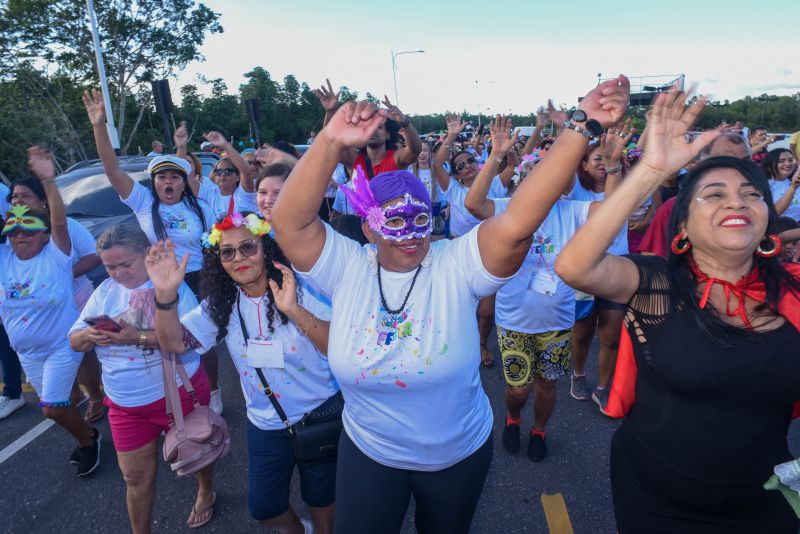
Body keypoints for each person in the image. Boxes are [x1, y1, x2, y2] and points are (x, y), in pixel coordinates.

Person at [270, 77, 630, 533]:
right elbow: (290, 223)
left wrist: (581, 126)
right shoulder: (346, 267)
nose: (412, 231)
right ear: (369, 228)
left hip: (455, 454)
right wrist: (330, 140)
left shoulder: (454, 263)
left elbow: (518, 223)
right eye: (395, 219)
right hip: (370, 451)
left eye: (420, 217)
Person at [556, 87, 800, 533]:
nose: (736, 201)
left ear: (766, 214)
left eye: (751, 193)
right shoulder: (656, 282)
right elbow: (574, 265)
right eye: (714, 194)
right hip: (655, 499)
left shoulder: (796, 290)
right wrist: (649, 170)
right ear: (681, 224)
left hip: (764, 501)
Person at [146, 212, 338, 534]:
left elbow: (336, 346)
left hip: (320, 414)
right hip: (265, 423)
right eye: (228, 252)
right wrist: (165, 296)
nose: (239, 258)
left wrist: (293, 309)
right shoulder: (221, 305)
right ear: (219, 260)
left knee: (322, 501)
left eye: (248, 247)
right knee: (264, 509)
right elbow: (173, 342)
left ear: (265, 248)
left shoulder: (302, 288)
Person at [463, 116, 623, 461]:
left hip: (557, 322)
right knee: (517, 389)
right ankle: (513, 418)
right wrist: (495, 156)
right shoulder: (507, 210)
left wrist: (612, 166)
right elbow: (474, 205)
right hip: (513, 322)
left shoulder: (574, 211)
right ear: (526, 180)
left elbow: (612, 211)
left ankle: (539, 430)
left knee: (548, 385)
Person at [83, 89, 224, 414]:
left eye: (174, 176)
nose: (168, 182)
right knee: (158, 340)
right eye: (162, 177)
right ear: (154, 183)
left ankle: (211, 390)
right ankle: (166, 399)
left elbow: (216, 242)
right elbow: (113, 172)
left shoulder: (200, 207)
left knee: (201, 344)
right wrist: (99, 126)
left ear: (183, 182)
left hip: (199, 280)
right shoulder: (144, 205)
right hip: (158, 285)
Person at [68, 224, 216, 531]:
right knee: (134, 477)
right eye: (109, 267)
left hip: (178, 392)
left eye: (126, 265)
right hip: (125, 404)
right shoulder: (105, 291)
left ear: (146, 256)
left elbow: (188, 340)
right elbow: (74, 340)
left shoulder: (168, 286)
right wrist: (89, 335)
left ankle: (206, 489)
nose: (118, 274)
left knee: (198, 451)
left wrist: (136, 338)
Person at [0, 147, 101, 476]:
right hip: (27, 352)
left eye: (28, 229)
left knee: (52, 409)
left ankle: (88, 441)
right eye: (13, 231)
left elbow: (58, 221)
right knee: (62, 405)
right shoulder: (4, 260)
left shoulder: (56, 257)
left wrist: (47, 179)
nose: (20, 236)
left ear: (45, 235)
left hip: (62, 343)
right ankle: (86, 435)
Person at [7, 176, 106, 421]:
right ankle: (70, 394)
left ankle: (95, 396)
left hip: (76, 296)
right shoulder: (11, 233)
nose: (18, 200)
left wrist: (59, 276)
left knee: (82, 354)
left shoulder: (65, 226)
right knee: (56, 376)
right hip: (33, 305)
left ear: (42, 200)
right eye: (14, 197)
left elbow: (94, 256)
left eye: (25, 196)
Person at [432, 114, 513, 367]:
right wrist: (453, 134)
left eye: (470, 161)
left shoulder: (494, 185)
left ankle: (480, 344)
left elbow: (511, 167)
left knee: (487, 310)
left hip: (489, 253)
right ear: (455, 175)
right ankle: (454, 346)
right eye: (460, 166)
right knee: (459, 306)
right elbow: (436, 165)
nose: (466, 166)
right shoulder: (454, 189)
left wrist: (503, 149)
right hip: (458, 254)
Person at [564, 139, 628, 411]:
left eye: (608, 159)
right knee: (582, 333)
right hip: (585, 270)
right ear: (583, 164)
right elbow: (562, 171)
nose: (603, 164)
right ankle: (578, 374)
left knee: (611, 336)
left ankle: (604, 386)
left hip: (617, 267)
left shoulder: (624, 187)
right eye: (597, 159)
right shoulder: (575, 189)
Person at [638, 132, 755, 257]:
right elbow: (652, 261)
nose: (739, 168)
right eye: (727, 160)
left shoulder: (758, 207)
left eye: (746, 161)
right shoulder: (674, 207)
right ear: (703, 164)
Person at [765, 148, 800, 221]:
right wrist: (793, 186)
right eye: (781, 161)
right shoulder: (764, 185)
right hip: (781, 228)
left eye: (790, 160)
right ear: (770, 163)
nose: (788, 164)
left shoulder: (793, 181)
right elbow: (773, 214)